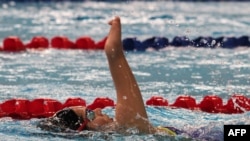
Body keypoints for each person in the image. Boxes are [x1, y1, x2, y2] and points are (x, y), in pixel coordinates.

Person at [37, 16, 184, 136]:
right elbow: (125, 93)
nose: (98, 110)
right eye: (90, 114)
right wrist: (114, 54)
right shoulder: (128, 131)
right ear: (83, 129)